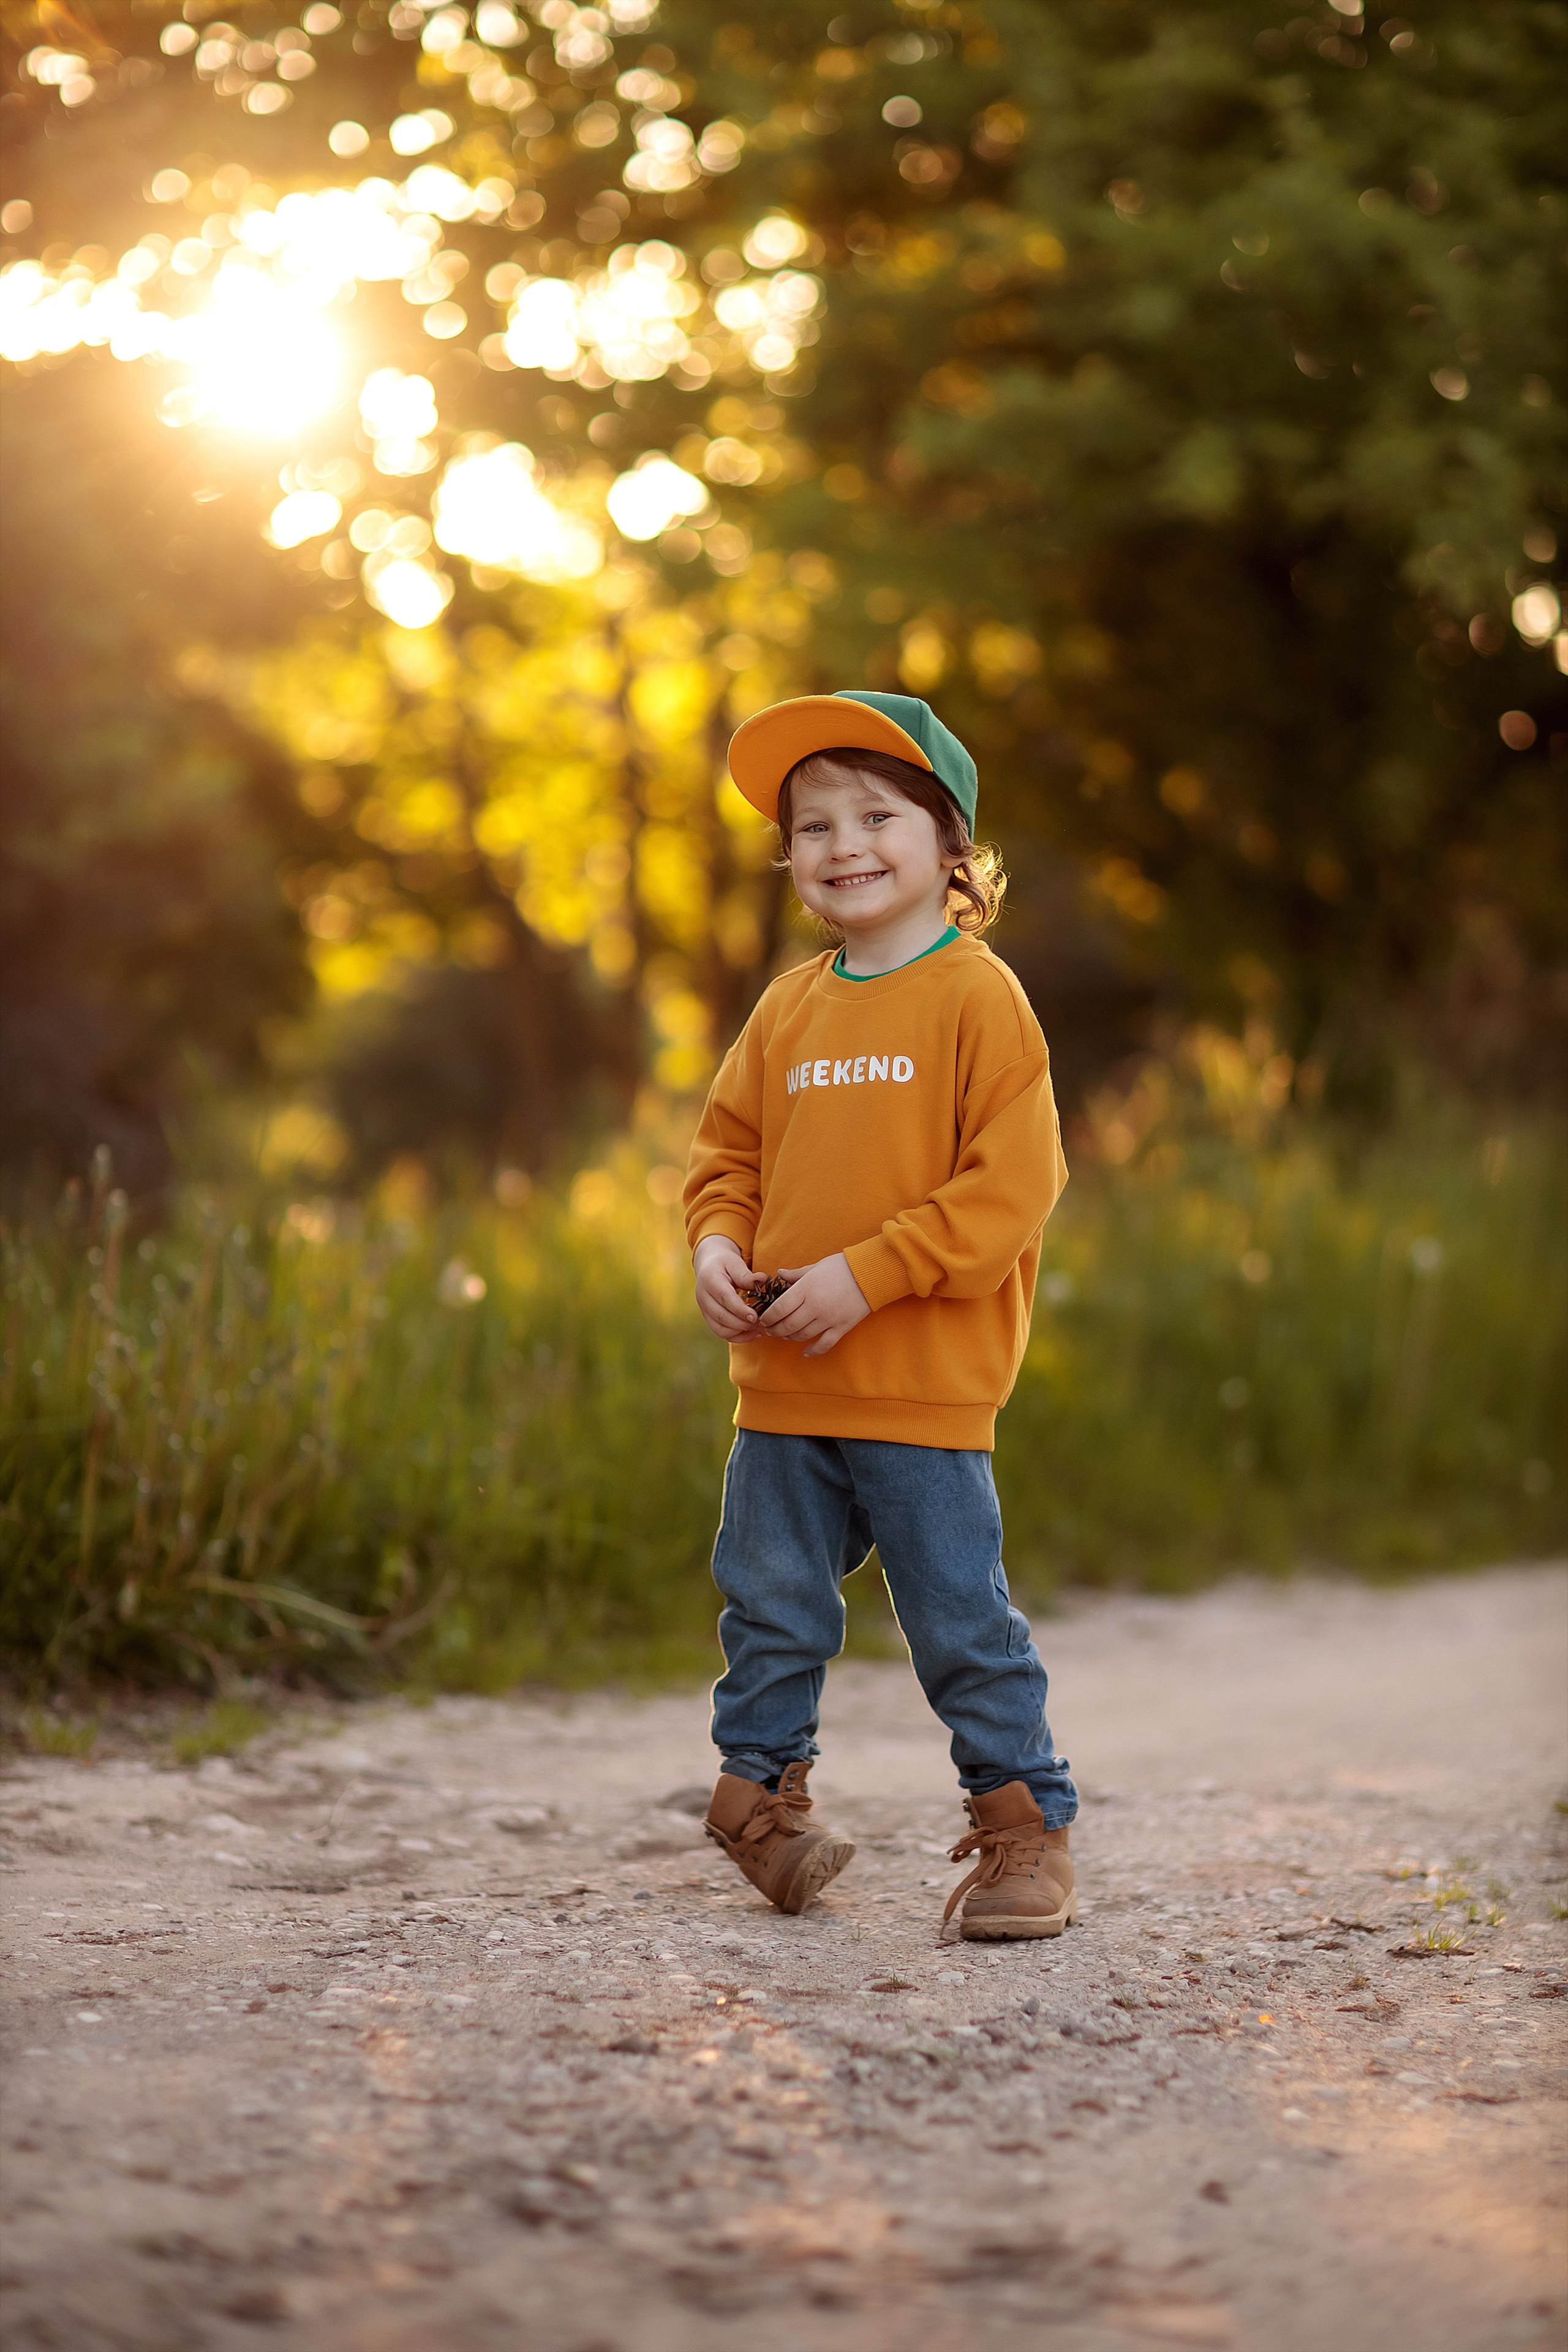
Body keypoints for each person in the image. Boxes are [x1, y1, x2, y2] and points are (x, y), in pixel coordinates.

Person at [682, 688, 1079, 1941]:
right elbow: (725, 1158)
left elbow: (1011, 1189)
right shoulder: (787, 1010)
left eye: (875, 815)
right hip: (784, 1383)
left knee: (958, 1616)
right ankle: (757, 1806)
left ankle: (1022, 1832)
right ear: (789, 860)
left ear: (950, 847)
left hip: (918, 1379)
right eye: (812, 826)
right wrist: (714, 1242)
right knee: (770, 1602)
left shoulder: (979, 999)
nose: (841, 844)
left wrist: (870, 1270)